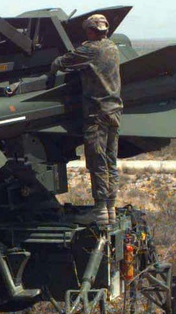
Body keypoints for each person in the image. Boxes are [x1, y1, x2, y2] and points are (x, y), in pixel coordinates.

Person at [48, 13, 123, 229]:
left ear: (91, 30)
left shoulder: (90, 49)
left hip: (96, 114)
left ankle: (100, 212)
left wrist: (53, 68)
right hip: (114, 112)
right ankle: (110, 209)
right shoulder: (112, 47)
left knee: (97, 161)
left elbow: (60, 63)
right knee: (110, 162)